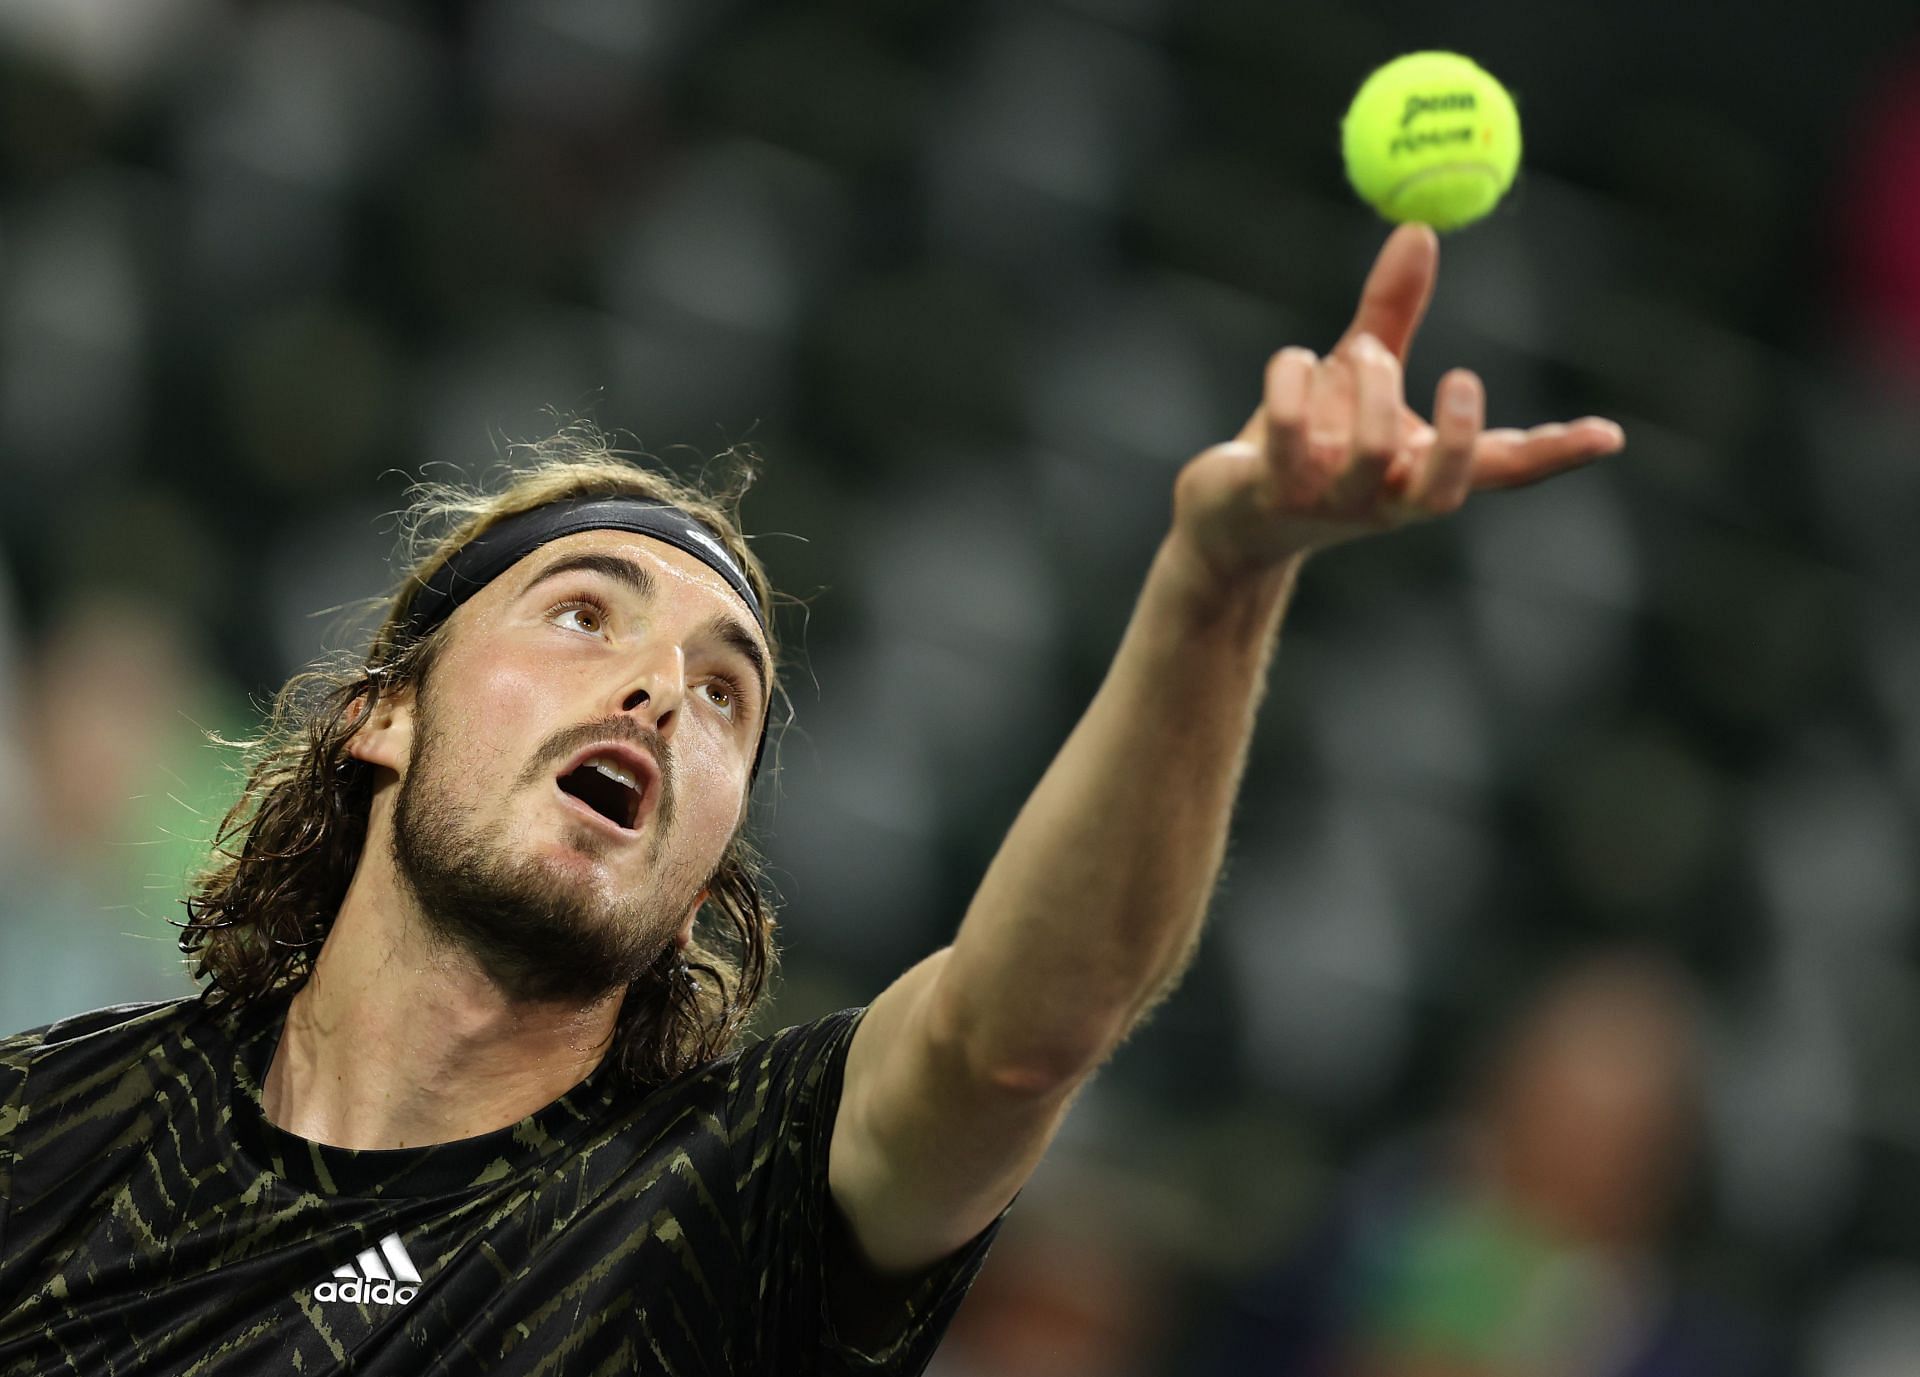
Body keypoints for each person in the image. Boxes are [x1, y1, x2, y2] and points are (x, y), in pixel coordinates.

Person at [0, 224, 1623, 1375]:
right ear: (383, 715)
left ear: (706, 879)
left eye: (727, 694)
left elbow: (1014, 1034)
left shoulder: (723, 1205)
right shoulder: (50, 1128)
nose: (655, 688)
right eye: (583, 611)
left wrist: (1223, 573)